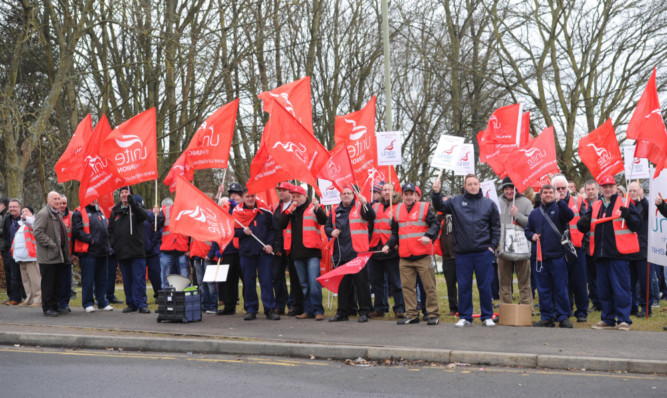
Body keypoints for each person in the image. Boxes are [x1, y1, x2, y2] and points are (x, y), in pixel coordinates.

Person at [432, 175, 499, 327]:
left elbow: (496, 227)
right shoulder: (455, 202)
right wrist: (436, 193)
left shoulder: (489, 204)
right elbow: (439, 207)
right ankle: (465, 317)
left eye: (475, 183)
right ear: (465, 186)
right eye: (470, 184)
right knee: (464, 285)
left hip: (483, 252)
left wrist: (492, 246)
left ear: (479, 185)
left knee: (485, 285)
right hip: (462, 253)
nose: (473, 186)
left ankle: (487, 316)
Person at [577, 175, 641, 331]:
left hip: (618, 254)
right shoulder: (596, 205)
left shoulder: (625, 202)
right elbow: (584, 225)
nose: (607, 189)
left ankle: (624, 320)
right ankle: (608, 319)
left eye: (610, 186)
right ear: (601, 189)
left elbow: (637, 225)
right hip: (600, 255)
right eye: (604, 186)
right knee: (603, 289)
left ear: (615, 187)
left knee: (621, 289)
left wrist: (628, 216)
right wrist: (582, 223)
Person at [384, 182, 440, 325]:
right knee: (407, 288)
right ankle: (412, 314)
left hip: (422, 255)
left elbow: (436, 224)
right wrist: (388, 245)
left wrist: (429, 235)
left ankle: (433, 314)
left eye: (411, 194)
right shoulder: (396, 211)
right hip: (405, 257)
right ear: (402, 195)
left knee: (429, 287)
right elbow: (395, 234)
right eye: (406, 194)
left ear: (416, 195)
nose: (409, 197)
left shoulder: (424, 207)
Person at [525, 184, 574, 328]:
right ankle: (547, 317)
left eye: (550, 192)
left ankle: (564, 317)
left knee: (560, 288)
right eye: (545, 192)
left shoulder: (560, 209)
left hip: (557, 256)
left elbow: (570, 216)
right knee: (543, 289)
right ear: (540, 194)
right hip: (540, 258)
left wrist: (561, 202)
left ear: (554, 194)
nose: (548, 195)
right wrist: (532, 236)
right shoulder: (534, 213)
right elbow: (527, 231)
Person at [326, 186, 375, 322]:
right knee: (343, 286)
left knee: (362, 284)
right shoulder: (335, 210)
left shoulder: (360, 207)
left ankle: (364, 311)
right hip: (341, 253)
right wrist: (331, 232)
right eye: (344, 194)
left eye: (349, 193)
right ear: (340, 196)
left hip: (358, 253)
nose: (346, 195)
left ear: (353, 195)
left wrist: (366, 203)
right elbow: (327, 226)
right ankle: (342, 312)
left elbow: (372, 217)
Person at [279, 185, 327, 320]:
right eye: (293, 197)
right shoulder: (292, 211)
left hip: (312, 252)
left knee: (313, 283)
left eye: (298, 197)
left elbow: (324, 220)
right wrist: (289, 209)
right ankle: (308, 310)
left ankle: (318, 310)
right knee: (304, 285)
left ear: (304, 196)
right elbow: (281, 224)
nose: (295, 200)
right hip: (297, 253)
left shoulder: (312, 207)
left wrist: (317, 208)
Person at [233, 188, 279, 320]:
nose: (250, 199)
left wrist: (270, 244)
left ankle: (269, 309)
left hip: (263, 252)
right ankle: (251, 309)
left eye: (252, 196)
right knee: (248, 282)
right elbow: (232, 232)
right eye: (247, 196)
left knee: (266, 281)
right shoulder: (237, 213)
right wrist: (242, 232)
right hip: (246, 252)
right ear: (243, 197)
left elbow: (272, 230)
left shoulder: (265, 211)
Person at [108, 186, 150, 314]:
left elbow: (143, 217)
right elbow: (110, 231)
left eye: (126, 192)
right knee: (127, 280)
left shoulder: (137, 207)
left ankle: (142, 303)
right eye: (122, 192)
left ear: (131, 194)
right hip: (123, 252)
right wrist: (114, 244)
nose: (124, 194)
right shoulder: (115, 211)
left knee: (139, 279)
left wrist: (133, 204)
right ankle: (131, 303)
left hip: (137, 251)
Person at [552, 175, 589, 322]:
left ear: (568, 188)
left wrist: (584, 243)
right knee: (561, 282)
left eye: (563, 188)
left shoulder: (578, 201)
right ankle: (564, 310)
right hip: (558, 248)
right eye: (557, 188)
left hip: (576, 247)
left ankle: (581, 312)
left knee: (579, 281)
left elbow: (586, 223)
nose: (560, 191)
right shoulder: (550, 201)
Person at [368, 182, 405, 318]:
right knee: (377, 282)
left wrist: (393, 244)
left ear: (394, 192)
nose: (387, 192)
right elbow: (370, 224)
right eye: (384, 190)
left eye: (389, 190)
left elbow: (400, 229)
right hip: (376, 248)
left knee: (396, 281)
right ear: (381, 192)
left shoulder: (399, 207)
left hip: (391, 249)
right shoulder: (375, 205)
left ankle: (399, 308)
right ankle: (380, 307)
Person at [207, 184, 244, 315]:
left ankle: (250, 306)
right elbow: (220, 230)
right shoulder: (225, 210)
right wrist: (217, 247)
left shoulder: (244, 208)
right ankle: (229, 306)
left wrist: (235, 208)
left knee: (245, 279)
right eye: (231, 193)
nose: (233, 196)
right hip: (228, 250)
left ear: (241, 195)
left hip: (241, 250)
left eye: (236, 193)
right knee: (228, 281)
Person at [32, 192, 71, 316]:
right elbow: (37, 232)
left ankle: (55, 305)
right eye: (55, 199)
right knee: (48, 284)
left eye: (59, 199)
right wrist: (52, 244)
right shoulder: (43, 214)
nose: (58, 201)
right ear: (48, 200)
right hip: (48, 256)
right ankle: (47, 307)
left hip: (58, 255)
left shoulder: (57, 214)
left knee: (57, 283)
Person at [72, 199, 113, 312]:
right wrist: (91, 240)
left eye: (95, 197)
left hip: (103, 251)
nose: (93, 200)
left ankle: (102, 302)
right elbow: (77, 231)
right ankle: (88, 303)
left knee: (102, 279)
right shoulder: (79, 212)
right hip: (88, 252)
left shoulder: (100, 210)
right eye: (91, 198)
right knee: (88, 279)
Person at [497, 177, 533, 306]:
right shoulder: (498, 202)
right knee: (504, 284)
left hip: (521, 248)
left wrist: (517, 214)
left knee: (524, 283)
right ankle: (506, 309)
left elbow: (532, 224)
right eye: (506, 188)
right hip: (503, 248)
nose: (508, 191)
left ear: (516, 188)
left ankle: (527, 309)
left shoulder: (526, 202)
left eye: (511, 188)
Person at [271, 182, 304, 316]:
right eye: (280, 190)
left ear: (291, 192)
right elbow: (276, 228)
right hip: (279, 246)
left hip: (292, 247)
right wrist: (277, 246)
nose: (281, 193)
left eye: (284, 190)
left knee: (294, 277)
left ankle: (292, 304)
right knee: (277, 277)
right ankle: (280, 304)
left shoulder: (296, 207)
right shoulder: (276, 207)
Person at [627, 182, 652, 317]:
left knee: (644, 282)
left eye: (635, 190)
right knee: (630, 282)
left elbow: (649, 211)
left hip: (642, 249)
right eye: (630, 190)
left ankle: (646, 307)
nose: (632, 193)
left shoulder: (644, 204)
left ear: (640, 191)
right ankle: (632, 307)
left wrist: (643, 199)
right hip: (629, 250)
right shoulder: (628, 205)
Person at [157, 197, 191, 287]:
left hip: (182, 251)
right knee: (166, 280)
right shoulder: (165, 211)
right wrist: (155, 216)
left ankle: (185, 299)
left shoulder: (188, 213)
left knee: (184, 279)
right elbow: (156, 226)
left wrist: (190, 249)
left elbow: (193, 233)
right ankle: (167, 299)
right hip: (167, 251)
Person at [11, 206, 41, 307]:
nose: (23, 213)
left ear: (32, 213)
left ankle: (38, 299)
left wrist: (26, 219)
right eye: (22, 211)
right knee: (26, 280)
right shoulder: (21, 225)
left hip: (32, 257)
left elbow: (33, 223)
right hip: (22, 258)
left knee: (35, 279)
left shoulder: (34, 221)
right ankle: (29, 298)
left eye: (26, 211)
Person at [137, 196, 162, 302]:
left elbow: (157, 231)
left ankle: (159, 294)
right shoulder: (132, 216)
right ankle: (140, 297)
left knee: (155, 274)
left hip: (152, 251)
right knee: (140, 276)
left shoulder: (150, 215)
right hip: (139, 252)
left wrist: (152, 245)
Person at [582, 180, 601, 311]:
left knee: (602, 276)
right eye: (588, 189)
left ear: (597, 190)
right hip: (587, 245)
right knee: (591, 277)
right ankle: (596, 302)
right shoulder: (582, 204)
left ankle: (605, 301)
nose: (590, 192)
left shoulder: (603, 203)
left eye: (592, 189)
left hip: (601, 244)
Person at [2, 198, 24, 305]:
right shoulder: (7, 218)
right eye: (10, 207)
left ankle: (23, 297)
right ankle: (14, 297)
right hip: (10, 251)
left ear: (19, 207)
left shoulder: (24, 218)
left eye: (14, 207)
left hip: (23, 251)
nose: (12, 209)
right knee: (12, 275)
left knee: (22, 275)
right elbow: (6, 234)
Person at [191, 238, 217, 314]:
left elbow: (215, 241)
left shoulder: (210, 226)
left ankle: (213, 306)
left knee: (210, 283)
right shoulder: (196, 227)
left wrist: (210, 254)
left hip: (207, 257)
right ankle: (205, 306)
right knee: (201, 284)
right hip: (197, 256)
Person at [58, 194, 73, 312]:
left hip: (68, 254)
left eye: (64, 203)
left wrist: (74, 253)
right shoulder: (52, 216)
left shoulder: (72, 216)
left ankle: (64, 304)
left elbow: (75, 235)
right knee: (57, 281)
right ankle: (57, 303)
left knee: (67, 281)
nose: (62, 205)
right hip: (55, 254)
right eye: (60, 203)